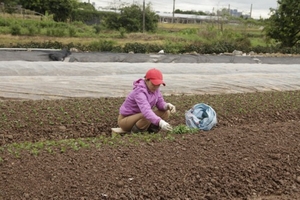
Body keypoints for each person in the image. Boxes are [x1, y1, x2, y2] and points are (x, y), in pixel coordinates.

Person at [118, 68, 176, 133]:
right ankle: (136, 133)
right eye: (153, 84)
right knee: (147, 115)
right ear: (146, 80)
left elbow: (160, 102)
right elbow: (146, 111)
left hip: (140, 117)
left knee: (165, 112)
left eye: (158, 85)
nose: (156, 87)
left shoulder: (155, 90)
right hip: (126, 120)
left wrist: (166, 106)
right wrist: (160, 122)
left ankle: (151, 131)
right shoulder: (139, 92)